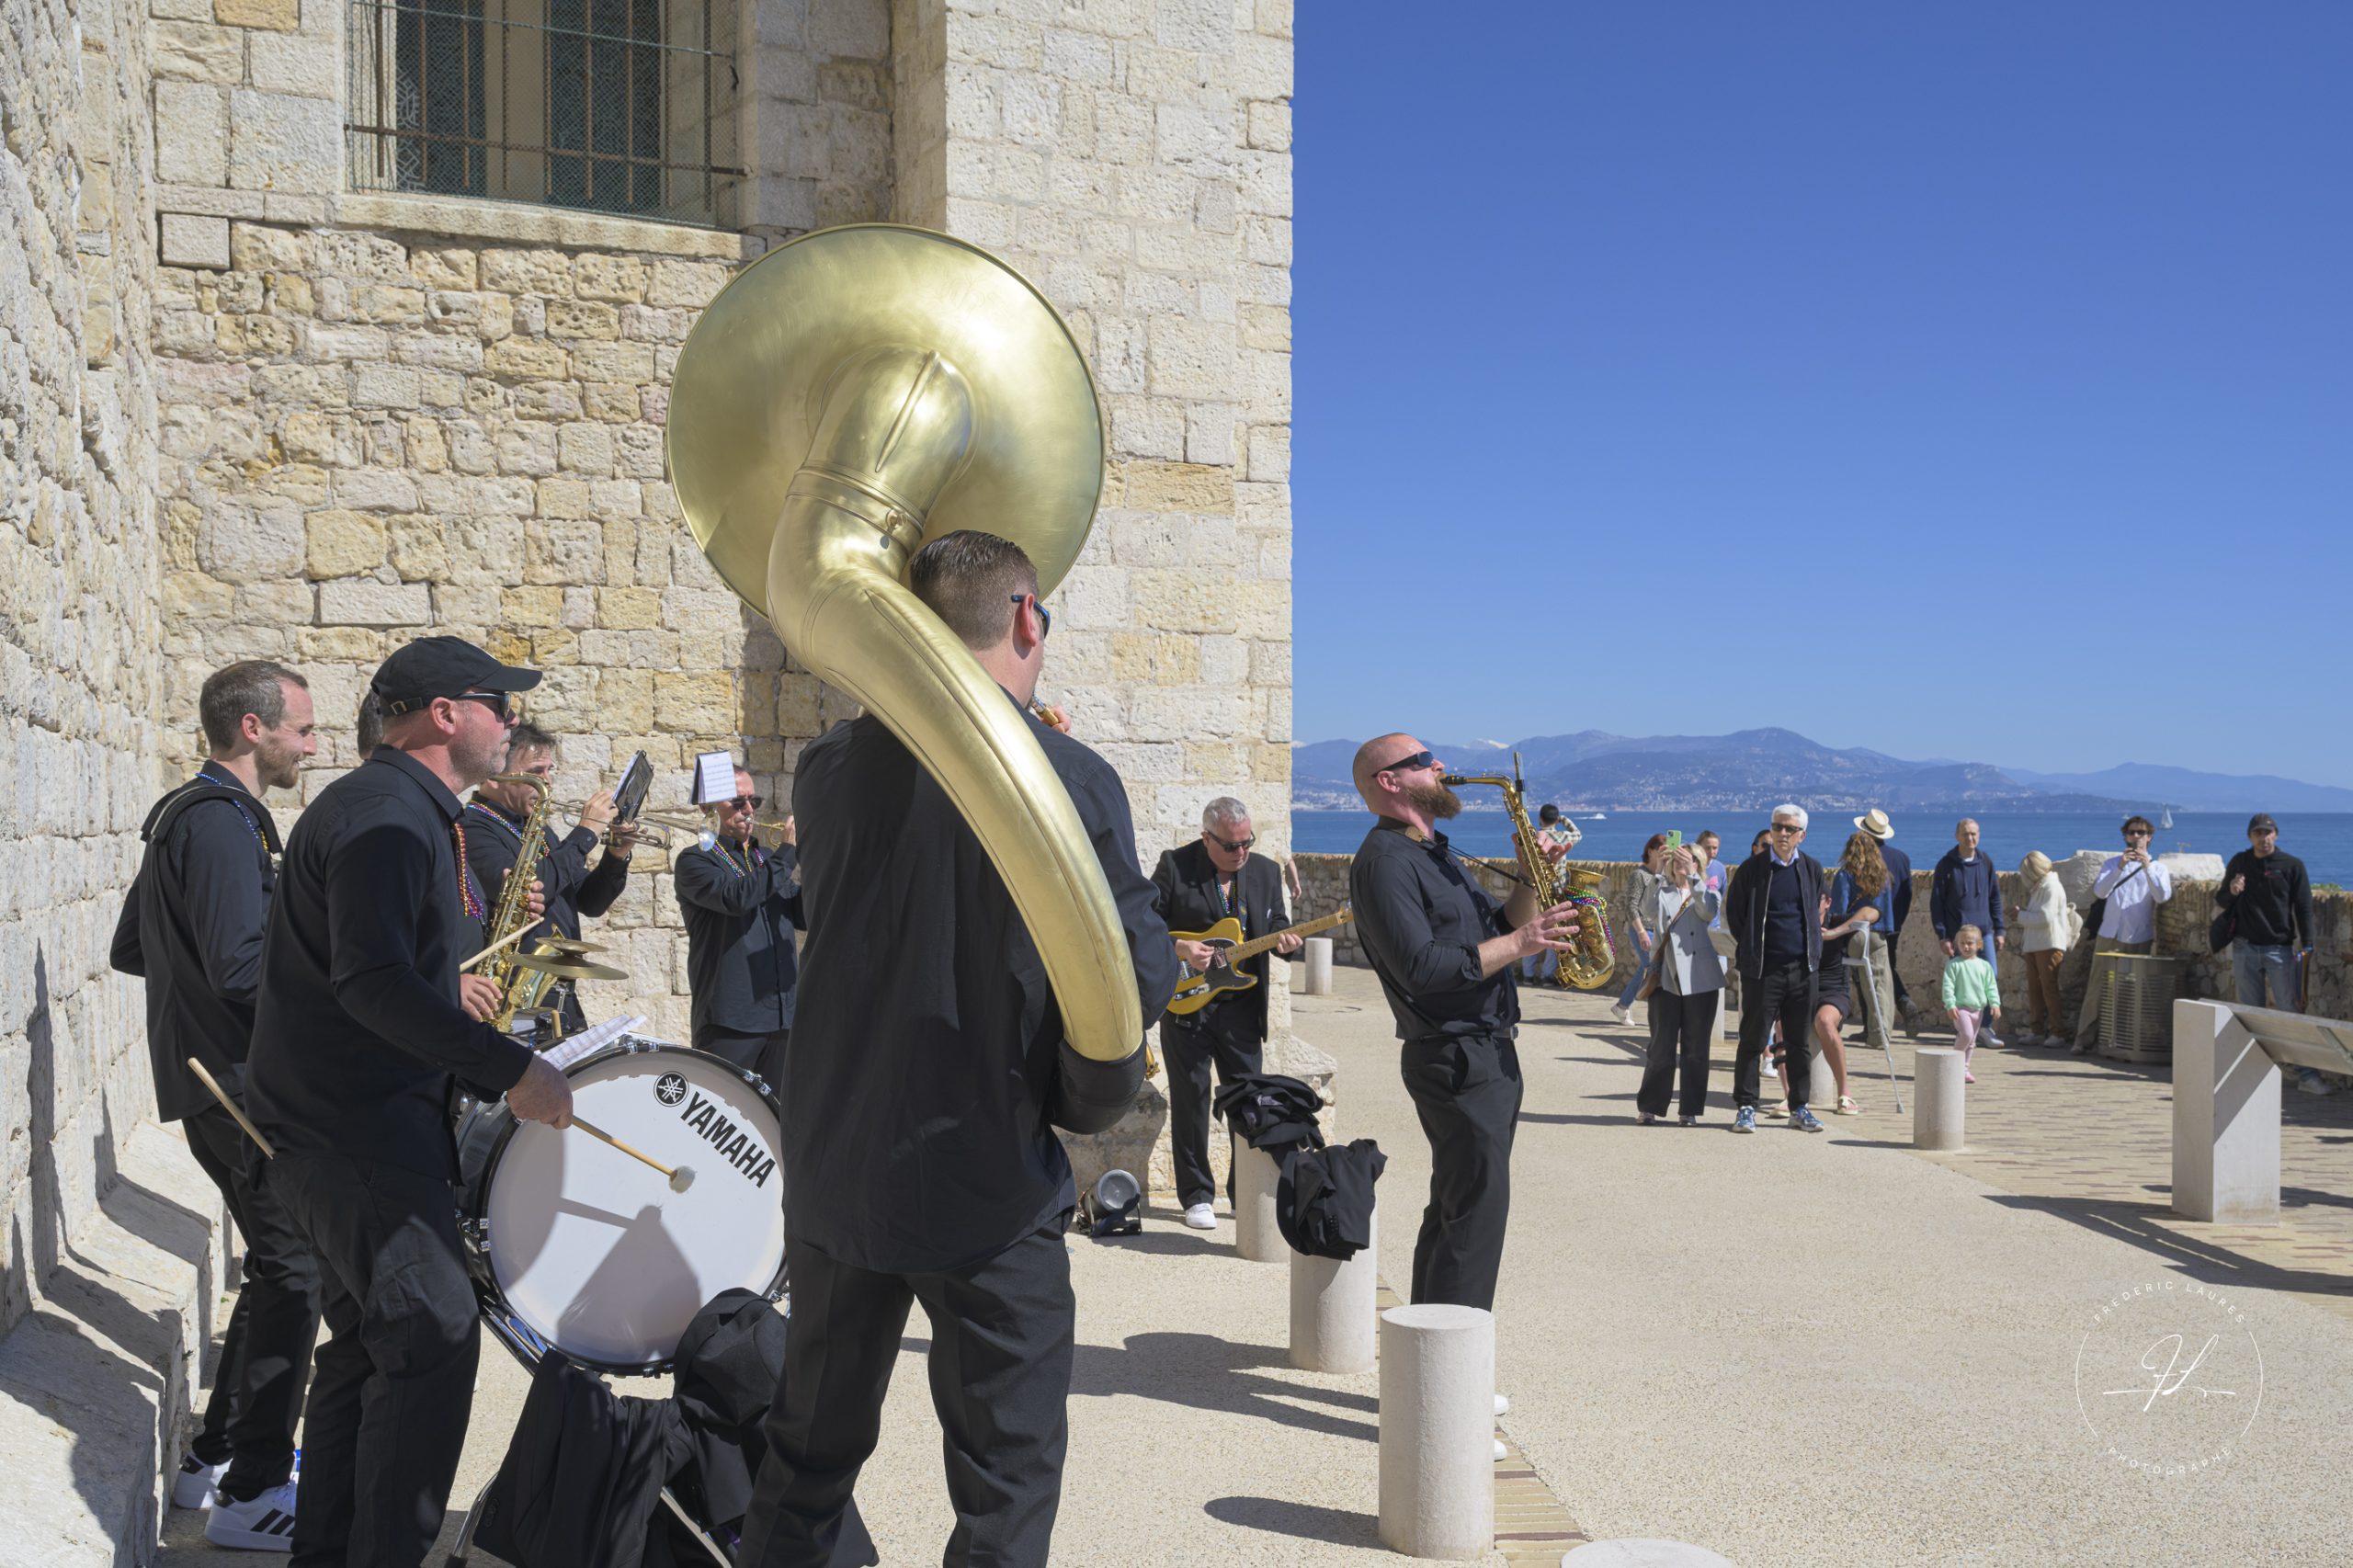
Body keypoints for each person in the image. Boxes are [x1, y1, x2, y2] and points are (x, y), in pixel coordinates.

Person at [736, 531, 1178, 1568]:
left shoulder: (830, 768)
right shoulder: (1066, 772)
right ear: (1028, 617)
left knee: (804, 1456)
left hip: (840, 1161)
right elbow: (1133, 972)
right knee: (1006, 1478)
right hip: (986, 1172)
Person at [244, 635, 574, 1568]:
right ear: (443, 713)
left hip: (356, 1125)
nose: (511, 721)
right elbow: (376, 981)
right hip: (351, 1129)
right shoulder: (387, 815)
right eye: (496, 703)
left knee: (364, 1348)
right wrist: (511, 1066)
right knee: (432, 1331)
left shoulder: (408, 812)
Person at [108, 660, 322, 1548]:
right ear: (251, 730)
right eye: (301, 731)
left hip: (211, 1080)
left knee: (281, 1270)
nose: (311, 746)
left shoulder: (185, 816)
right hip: (233, 1089)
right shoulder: (226, 827)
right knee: (297, 1269)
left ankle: (213, 1461)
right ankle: (255, 1494)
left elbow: (132, 948)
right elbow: (240, 968)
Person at [1347, 734, 1579, 1310]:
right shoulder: (1383, 863)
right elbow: (1423, 967)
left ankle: (1429, 1358)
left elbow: (1494, 926)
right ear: (1390, 781)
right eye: (1425, 762)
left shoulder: (1430, 852)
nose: (1440, 766)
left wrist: (1528, 880)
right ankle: (1451, 1377)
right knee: (1474, 1217)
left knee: (1459, 1209)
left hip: (1486, 1051)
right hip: (1453, 1056)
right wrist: (1523, 942)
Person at [1153, 797, 1302, 1229]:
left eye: (1247, 843)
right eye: (1232, 846)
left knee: (1248, 1102)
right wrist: (1180, 948)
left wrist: (1283, 939)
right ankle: (1196, 1195)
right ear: (1206, 838)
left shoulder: (1264, 871)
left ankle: (1243, 1192)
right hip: (1187, 1006)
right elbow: (1141, 923)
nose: (1241, 853)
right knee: (1191, 1101)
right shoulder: (1175, 866)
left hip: (1240, 1009)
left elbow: (1274, 921)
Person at [459, 721, 640, 1034]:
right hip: (515, 996)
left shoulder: (538, 830)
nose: (547, 781)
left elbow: (589, 902)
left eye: (549, 770)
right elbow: (527, 888)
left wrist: (616, 855)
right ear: (495, 775)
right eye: (537, 771)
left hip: (557, 990)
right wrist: (585, 833)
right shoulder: (475, 828)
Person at [675, 764, 803, 1094]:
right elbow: (737, 897)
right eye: (737, 802)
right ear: (707, 809)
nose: (749, 810)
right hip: (730, 1022)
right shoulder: (695, 861)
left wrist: (821, 862)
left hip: (781, 1016)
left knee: (778, 1122)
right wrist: (788, 855)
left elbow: (803, 916)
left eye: (753, 801)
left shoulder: (766, 858)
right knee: (718, 1124)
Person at [1726, 804, 1827, 1134]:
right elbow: (1736, 916)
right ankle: (1745, 1106)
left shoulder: (1812, 869)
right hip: (1763, 969)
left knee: (1799, 1042)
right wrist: (1755, 949)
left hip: (1802, 968)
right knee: (1753, 1039)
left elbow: (1814, 914)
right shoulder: (1752, 870)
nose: (1782, 834)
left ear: (1802, 835)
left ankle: (1799, 1107)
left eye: (1789, 829)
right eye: (1777, 827)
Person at [2217, 812, 2324, 1094]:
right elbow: (2222, 900)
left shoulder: (2291, 865)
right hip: (2244, 946)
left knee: (2290, 1011)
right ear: (2250, 836)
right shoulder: (2240, 862)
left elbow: (2303, 907)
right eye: (2257, 833)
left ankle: (2306, 1074)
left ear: (2276, 834)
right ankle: (2254, 1073)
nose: (2263, 838)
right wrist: (2232, 890)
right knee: (2250, 1012)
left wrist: (2308, 945)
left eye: (2268, 832)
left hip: (2281, 948)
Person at [1636, 843, 1723, 1124]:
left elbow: (1708, 911)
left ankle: (1690, 1109)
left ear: (1698, 863)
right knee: (1661, 1047)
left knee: (1696, 1049)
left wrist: (1693, 877)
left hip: (1701, 979)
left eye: (1686, 860)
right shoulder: (1662, 890)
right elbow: (1646, 909)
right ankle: (1649, 1106)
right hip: (1666, 978)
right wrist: (1660, 870)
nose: (1680, 865)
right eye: (1676, 860)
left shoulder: (1707, 891)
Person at [2073, 816, 2174, 1056]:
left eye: (2141, 833)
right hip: (2109, 932)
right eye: (2131, 833)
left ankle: (2120, 1041)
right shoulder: (2111, 864)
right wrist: (2119, 867)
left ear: (2149, 837)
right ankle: (2083, 1038)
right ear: (2126, 836)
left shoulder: (2159, 868)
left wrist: (2147, 867)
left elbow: (2161, 896)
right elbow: (2100, 891)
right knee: (2097, 987)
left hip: (2137, 935)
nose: (2136, 837)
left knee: (2131, 992)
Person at [1821, 830, 1894, 1114]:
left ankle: (1873, 1033)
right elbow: (1884, 908)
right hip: (1879, 933)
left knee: (1864, 984)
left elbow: (1839, 909)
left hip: (1856, 935)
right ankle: (1881, 1033)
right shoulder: (1882, 875)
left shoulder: (1845, 874)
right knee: (1880, 985)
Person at [1931, 819, 2006, 1046]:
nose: (1970, 839)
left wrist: (2000, 928)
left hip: (1984, 934)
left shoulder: (1986, 863)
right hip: (1958, 935)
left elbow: (1994, 897)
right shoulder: (1946, 865)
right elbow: (1937, 902)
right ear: (1957, 836)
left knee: (1990, 975)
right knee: (1960, 983)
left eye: (1973, 834)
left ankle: (1983, 1028)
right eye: (1965, 834)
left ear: (1979, 835)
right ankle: (1965, 1028)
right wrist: (1942, 935)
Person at [1853, 808, 1912, 1033]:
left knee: (1865, 976)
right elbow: (1908, 894)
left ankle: (1872, 1028)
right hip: (1893, 924)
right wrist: (1898, 921)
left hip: (1867, 925)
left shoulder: (1862, 859)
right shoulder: (1902, 858)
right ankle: (1902, 1002)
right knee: (1886, 972)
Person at [2008, 851, 2074, 1046]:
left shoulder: (2051, 887)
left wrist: (2020, 916)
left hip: (2048, 944)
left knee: (2048, 989)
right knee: (2036, 989)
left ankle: (2057, 1032)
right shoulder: (2041, 887)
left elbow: (2045, 918)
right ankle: (2036, 1030)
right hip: (2037, 944)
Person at [1609, 834, 1668, 1024]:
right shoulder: (1639, 875)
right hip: (1642, 929)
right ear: (1650, 850)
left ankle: (1622, 1006)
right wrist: (1641, 932)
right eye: (1661, 850)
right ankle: (1631, 1008)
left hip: (1659, 931)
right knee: (1652, 968)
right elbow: (1631, 906)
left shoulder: (1664, 876)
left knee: (1647, 968)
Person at [1521, 804, 1579, 981]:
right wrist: (1563, 819)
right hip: (1556, 893)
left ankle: (1528, 975)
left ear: (1540, 818)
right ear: (1555, 819)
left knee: (1531, 931)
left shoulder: (1533, 838)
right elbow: (1578, 834)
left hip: (1536, 892)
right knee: (1556, 933)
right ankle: (1548, 975)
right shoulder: (1562, 836)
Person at [1940, 926, 2001, 1082]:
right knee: (1966, 1035)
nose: (1966, 947)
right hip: (1961, 1009)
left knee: (1972, 1042)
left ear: (1979, 945)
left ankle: (1964, 1070)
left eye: (1970, 943)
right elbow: (1948, 987)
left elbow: (1991, 987)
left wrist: (1995, 1004)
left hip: (1978, 1010)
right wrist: (1950, 1005)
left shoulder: (1984, 966)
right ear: (1957, 945)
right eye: (1962, 943)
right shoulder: (1953, 965)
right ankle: (1952, 1063)